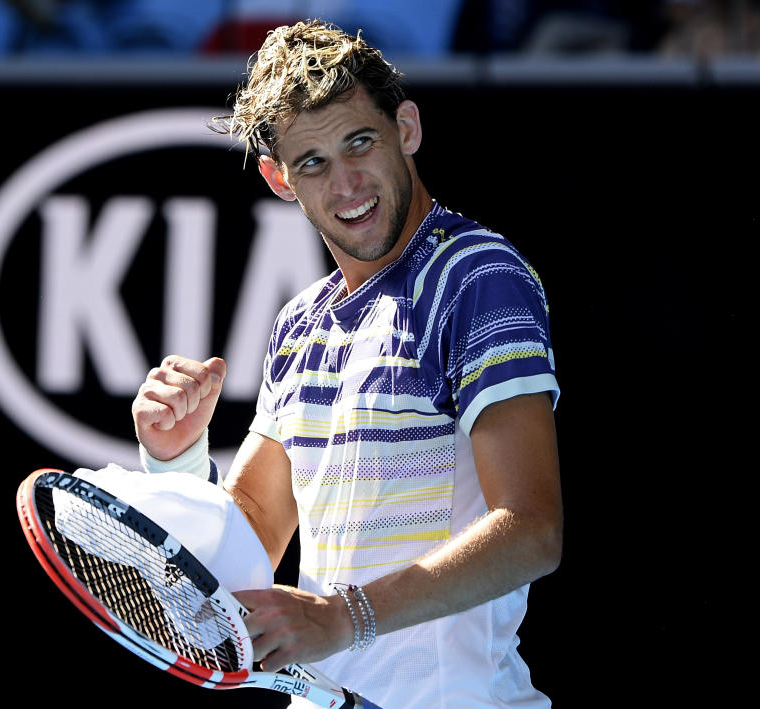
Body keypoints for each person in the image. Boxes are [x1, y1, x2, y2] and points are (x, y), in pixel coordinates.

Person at [130, 20, 562, 708]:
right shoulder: (299, 323)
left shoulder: (478, 277)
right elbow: (245, 542)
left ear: (407, 128)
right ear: (278, 178)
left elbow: (532, 529)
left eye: (359, 142)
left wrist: (340, 617)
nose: (346, 183)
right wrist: (178, 461)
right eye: (312, 163)